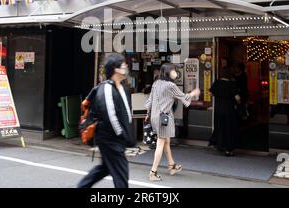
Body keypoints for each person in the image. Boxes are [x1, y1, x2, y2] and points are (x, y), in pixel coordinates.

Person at [78, 53, 135, 188]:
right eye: (123, 64)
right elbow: (111, 116)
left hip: (113, 139)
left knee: (105, 168)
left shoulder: (122, 87)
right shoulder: (107, 89)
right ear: (115, 69)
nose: (126, 66)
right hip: (110, 139)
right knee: (121, 172)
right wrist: (123, 136)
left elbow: (126, 114)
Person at [145, 63, 200, 181]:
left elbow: (149, 100)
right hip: (163, 118)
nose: (176, 72)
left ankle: (172, 165)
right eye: (174, 70)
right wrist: (193, 93)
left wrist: (148, 113)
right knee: (160, 144)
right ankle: (153, 172)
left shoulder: (156, 83)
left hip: (155, 116)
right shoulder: (171, 85)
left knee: (166, 141)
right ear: (168, 72)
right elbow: (183, 97)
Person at [208, 67, 241, 157]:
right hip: (229, 110)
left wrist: (218, 95)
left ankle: (220, 146)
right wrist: (238, 102)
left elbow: (210, 93)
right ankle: (228, 150)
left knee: (220, 128)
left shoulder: (217, 83)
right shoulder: (231, 84)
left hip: (218, 110)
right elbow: (237, 98)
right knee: (229, 129)